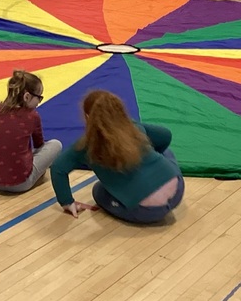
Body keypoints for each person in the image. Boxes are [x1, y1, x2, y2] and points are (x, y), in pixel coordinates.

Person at [50, 90, 184, 223]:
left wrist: (66, 201)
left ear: (88, 117)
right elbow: (165, 136)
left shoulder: (84, 146)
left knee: (98, 190)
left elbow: (57, 168)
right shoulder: (134, 126)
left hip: (146, 212)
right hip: (177, 190)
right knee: (166, 152)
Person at [0, 70, 61, 192]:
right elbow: (39, 144)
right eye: (39, 98)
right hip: (20, 184)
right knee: (56, 144)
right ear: (27, 97)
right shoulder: (32, 115)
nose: (39, 102)